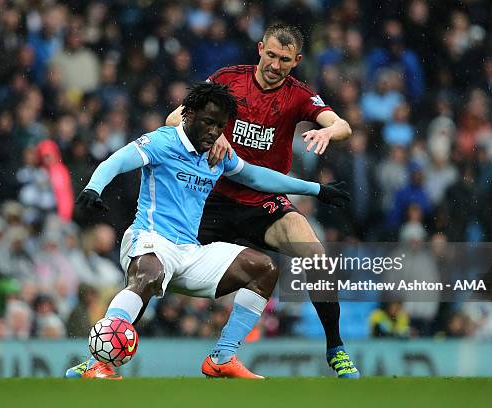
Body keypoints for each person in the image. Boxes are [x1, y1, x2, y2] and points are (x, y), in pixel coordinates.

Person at [65, 82, 349, 379]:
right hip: (150, 239)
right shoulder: (163, 142)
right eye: (208, 123)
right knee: (147, 275)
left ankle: (223, 357)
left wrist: (315, 189)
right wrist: (94, 187)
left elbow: (256, 177)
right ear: (188, 115)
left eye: (220, 126)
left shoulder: (216, 153)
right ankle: (98, 362)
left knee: (264, 268)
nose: (214, 132)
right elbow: (117, 160)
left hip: (189, 251)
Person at [166, 23, 359, 378]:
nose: (275, 64)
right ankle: (106, 349)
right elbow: (175, 116)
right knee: (156, 261)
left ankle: (336, 348)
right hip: (212, 197)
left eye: (284, 59)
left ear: (296, 60)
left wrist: (330, 130)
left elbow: (343, 125)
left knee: (316, 258)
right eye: (270, 55)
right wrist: (212, 132)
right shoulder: (228, 79)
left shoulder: (298, 95)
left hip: (263, 201)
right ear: (259, 49)